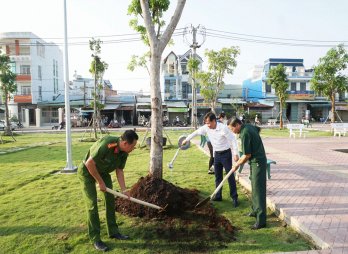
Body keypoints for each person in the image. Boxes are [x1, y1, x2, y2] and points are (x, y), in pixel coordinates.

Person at [77, 130, 138, 251]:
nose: (134, 148)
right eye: (133, 146)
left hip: (103, 172)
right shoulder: (107, 144)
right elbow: (90, 163)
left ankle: (113, 231)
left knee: (110, 200)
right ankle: (96, 239)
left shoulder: (124, 153)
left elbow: (119, 170)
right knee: (92, 205)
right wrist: (100, 182)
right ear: (125, 143)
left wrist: (124, 190)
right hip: (87, 171)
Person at [182, 112, 240, 207]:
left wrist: (236, 153)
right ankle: (218, 196)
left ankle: (234, 198)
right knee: (218, 176)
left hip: (226, 154)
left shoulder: (223, 128)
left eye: (209, 123)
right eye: (206, 123)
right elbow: (196, 132)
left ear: (214, 121)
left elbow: (233, 139)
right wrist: (187, 139)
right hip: (216, 155)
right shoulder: (206, 127)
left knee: (230, 176)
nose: (207, 125)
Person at [228, 118, 267, 230]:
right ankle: (255, 210)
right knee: (254, 188)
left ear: (236, 125)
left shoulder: (245, 133)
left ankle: (261, 221)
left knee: (259, 191)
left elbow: (246, 155)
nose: (232, 132)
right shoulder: (248, 127)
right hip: (255, 162)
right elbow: (257, 129)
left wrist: (236, 165)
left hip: (257, 163)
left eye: (232, 129)